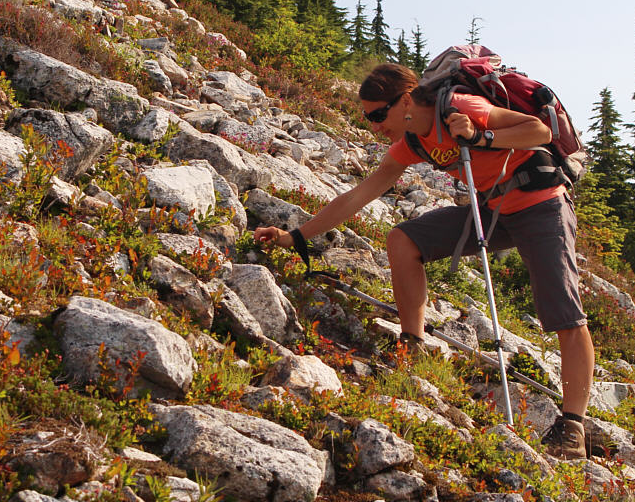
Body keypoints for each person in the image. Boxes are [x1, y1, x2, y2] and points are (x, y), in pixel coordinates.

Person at [253, 63, 594, 459]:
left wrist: (481, 135)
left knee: (565, 315)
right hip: (491, 210)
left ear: (407, 100)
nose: (375, 125)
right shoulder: (413, 142)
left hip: (540, 204)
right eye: (367, 118)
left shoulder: (461, 107)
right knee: (403, 240)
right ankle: (412, 345)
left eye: (380, 114)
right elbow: (356, 196)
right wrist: (295, 236)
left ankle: (572, 428)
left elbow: (539, 131)